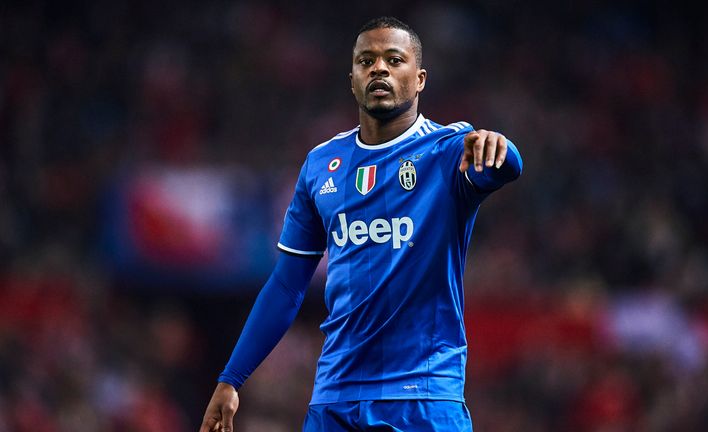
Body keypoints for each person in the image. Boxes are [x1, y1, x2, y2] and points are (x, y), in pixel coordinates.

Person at [199, 16, 522, 432]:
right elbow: (287, 284)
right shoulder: (320, 165)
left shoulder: (448, 149)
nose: (379, 69)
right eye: (366, 61)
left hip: (423, 396)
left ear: (419, 78)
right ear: (352, 79)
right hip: (336, 398)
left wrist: (502, 147)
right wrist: (231, 379)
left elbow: (503, 169)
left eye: (394, 59)